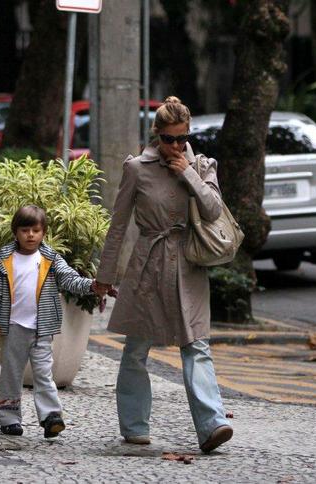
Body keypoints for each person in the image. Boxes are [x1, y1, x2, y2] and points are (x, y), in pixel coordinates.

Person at [93, 97, 233, 453]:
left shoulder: (201, 165)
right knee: (137, 347)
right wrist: (104, 276)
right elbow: (118, 226)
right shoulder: (137, 168)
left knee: (197, 344)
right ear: (156, 134)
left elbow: (214, 209)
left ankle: (213, 424)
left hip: (188, 265)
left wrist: (185, 171)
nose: (174, 146)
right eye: (168, 139)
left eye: (181, 138)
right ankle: (135, 424)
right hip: (148, 265)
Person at [0, 205, 103, 438]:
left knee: (43, 372)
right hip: (12, 328)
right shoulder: (4, 258)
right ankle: (9, 418)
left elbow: (69, 279)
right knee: (11, 373)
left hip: (41, 329)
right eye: (25, 230)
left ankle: (51, 417)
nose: (30, 235)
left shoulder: (50, 258)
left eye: (35, 230)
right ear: (15, 232)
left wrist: (91, 285)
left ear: (44, 233)